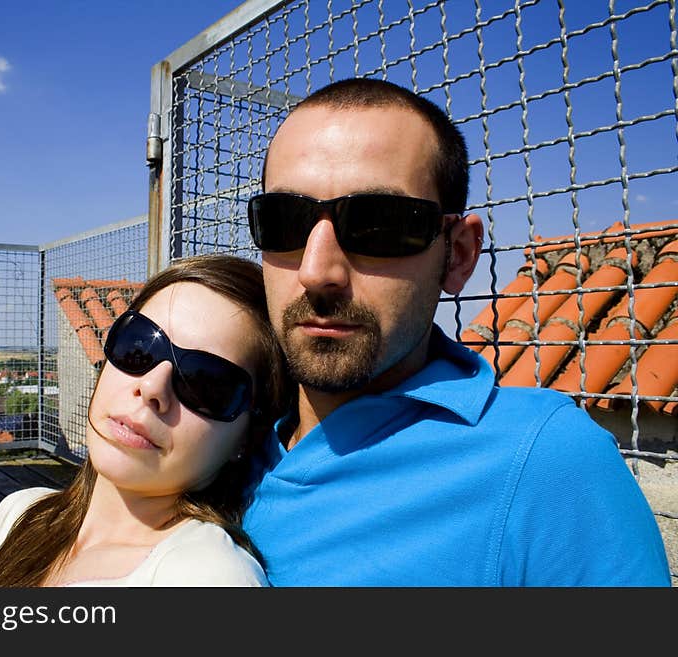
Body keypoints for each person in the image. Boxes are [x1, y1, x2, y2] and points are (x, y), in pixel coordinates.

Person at [241, 77, 671, 586]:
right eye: (285, 220)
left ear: (459, 254)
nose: (317, 271)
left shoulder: (545, 461)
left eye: (380, 224)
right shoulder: (216, 424)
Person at [0, 254, 290, 587]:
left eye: (205, 383)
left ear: (246, 438)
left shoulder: (208, 574)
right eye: (138, 345)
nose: (151, 386)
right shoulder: (19, 514)